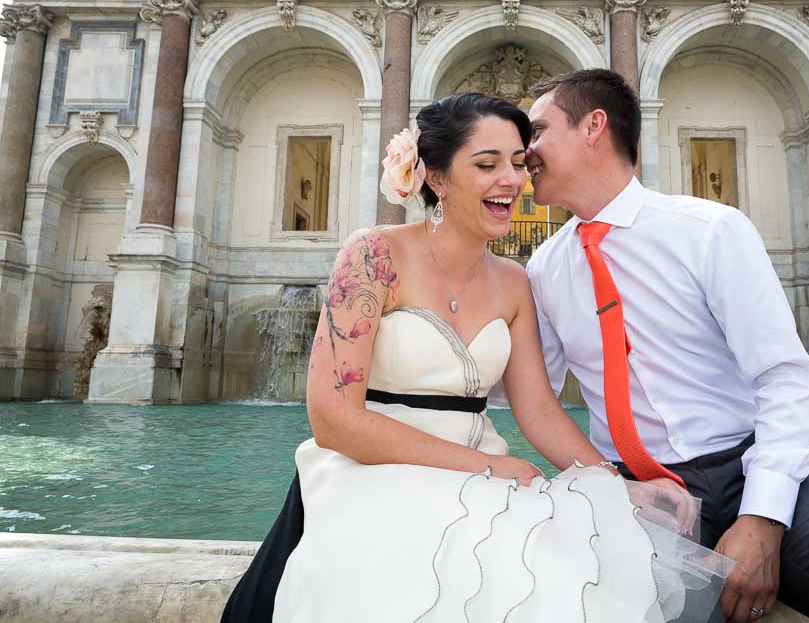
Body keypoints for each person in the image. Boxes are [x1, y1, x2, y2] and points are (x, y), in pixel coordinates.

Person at [221, 92, 731, 622]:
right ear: (436, 178)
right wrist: (492, 467)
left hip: (484, 480)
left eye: (517, 163)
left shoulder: (515, 282)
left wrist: (614, 482)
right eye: (487, 165)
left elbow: (539, 411)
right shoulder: (372, 255)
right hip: (370, 470)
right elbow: (332, 419)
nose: (511, 181)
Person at [521, 68, 809, 623]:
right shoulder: (543, 268)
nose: (526, 148)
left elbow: (787, 379)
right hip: (628, 491)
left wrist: (762, 518)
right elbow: (522, 387)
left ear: (593, 126)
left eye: (538, 131)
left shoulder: (711, 230)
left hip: (746, 468)